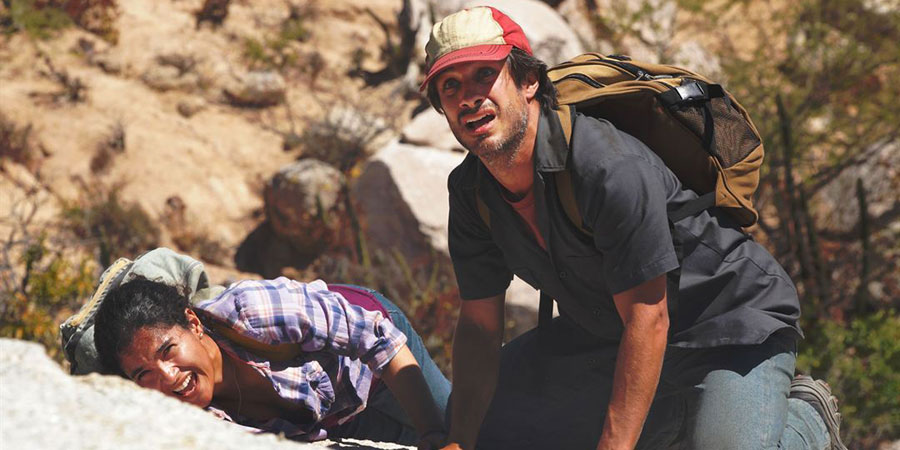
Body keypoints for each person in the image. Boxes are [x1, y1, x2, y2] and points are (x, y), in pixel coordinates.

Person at [420, 6, 846, 450]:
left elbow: (648, 317)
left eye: (484, 75)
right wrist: (460, 441)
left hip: (725, 325)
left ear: (528, 82)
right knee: (490, 424)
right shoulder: (470, 192)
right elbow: (480, 326)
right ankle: (679, 420)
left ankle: (806, 417)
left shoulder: (605, 166)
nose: (468, 97)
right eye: (450, 86)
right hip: (607, 333)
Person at [93, 276, 449, 449]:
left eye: (168, 351)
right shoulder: (197, 421)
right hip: (333, 416)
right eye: (144, 374)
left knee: (460, 431)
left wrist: (436, 433)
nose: (168, 377)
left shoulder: (249, 311)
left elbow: (373, 338)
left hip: (375, 361)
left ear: (193, 323)